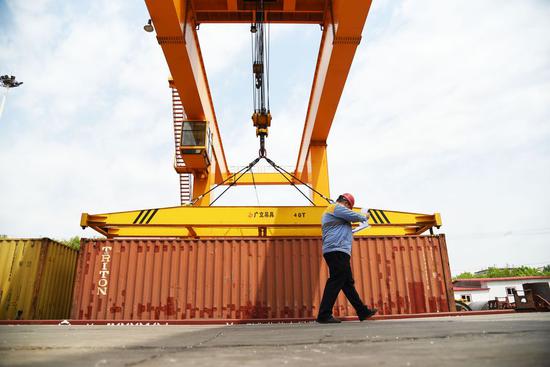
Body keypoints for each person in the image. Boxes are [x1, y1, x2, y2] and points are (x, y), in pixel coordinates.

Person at [316, 193, 378, 323]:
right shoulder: (335, 207)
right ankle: (324, 314)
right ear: (346, 203)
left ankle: (362, 311)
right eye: (349, 207)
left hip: (338, 250)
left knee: (347, 283)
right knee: (336, 279)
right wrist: (364, 216)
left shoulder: (336, 213)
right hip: (336, 250)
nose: (349, 210)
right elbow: (355, 216)